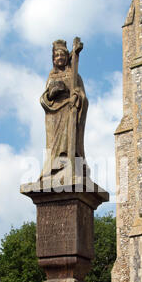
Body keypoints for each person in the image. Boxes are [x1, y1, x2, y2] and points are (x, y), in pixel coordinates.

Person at [40, 39, 88, 182]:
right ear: (53, 59)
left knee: (68, 141)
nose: (59, 58)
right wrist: (51, 94)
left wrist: (77, 97)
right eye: (56, 56)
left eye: (62, 55)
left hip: (68, 112)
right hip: (54, 115)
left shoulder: (74, 76)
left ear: (67, 57)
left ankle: (69, 166)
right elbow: (44, 98)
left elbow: (82, 95)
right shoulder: (51, 76)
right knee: (53, 144)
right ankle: (53, 168)